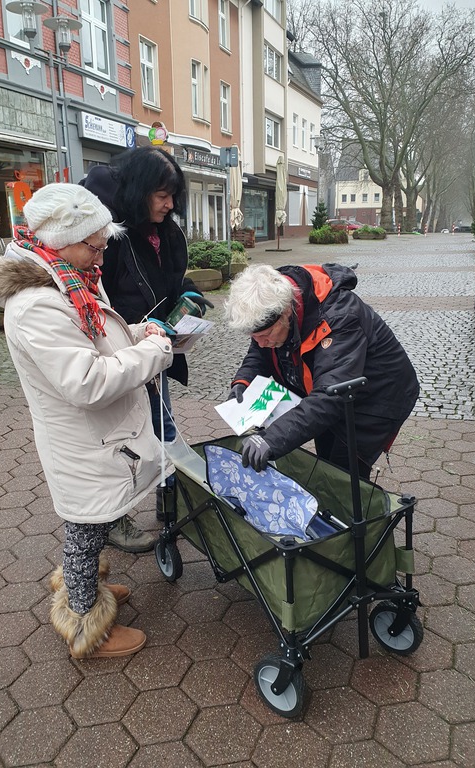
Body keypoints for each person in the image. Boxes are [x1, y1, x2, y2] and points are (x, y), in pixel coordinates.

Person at [0, 183, 175, 659]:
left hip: (99, 436)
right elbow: (86, 381)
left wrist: (135, 333)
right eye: (95, 244)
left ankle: (84, 593)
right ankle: (87, 622)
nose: (102, 254)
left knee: (94, 521)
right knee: (86, 527)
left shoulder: (68, 277)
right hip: (83, 439)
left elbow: (97, 339)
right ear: (60, 239)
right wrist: (154, 350)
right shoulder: (37, 303)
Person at [81, 147, 212, 552]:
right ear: (139, 191)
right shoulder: (110, 237)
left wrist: (187, 294)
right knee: (119, 438)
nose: (170, 203)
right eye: (161, 194)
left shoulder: (167, 232)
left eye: (173, 194)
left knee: (163, 426)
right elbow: (96, 298)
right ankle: (114, 518)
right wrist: (130, 335)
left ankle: (169, 498)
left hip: (154, 349)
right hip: (117, 351)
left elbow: (173, 282)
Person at [225, 263, 420, 479]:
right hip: (330, 391)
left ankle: (356, 509)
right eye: (254, 337)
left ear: (287, 311)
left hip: (376, 399)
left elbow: (329, 397)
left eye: (267, 334)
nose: (260, 343)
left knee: (342, 474)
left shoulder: (340, 317)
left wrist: (272, 439)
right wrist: (243, 381)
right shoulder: (271, 307)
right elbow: (260, 350)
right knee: (326, 459)